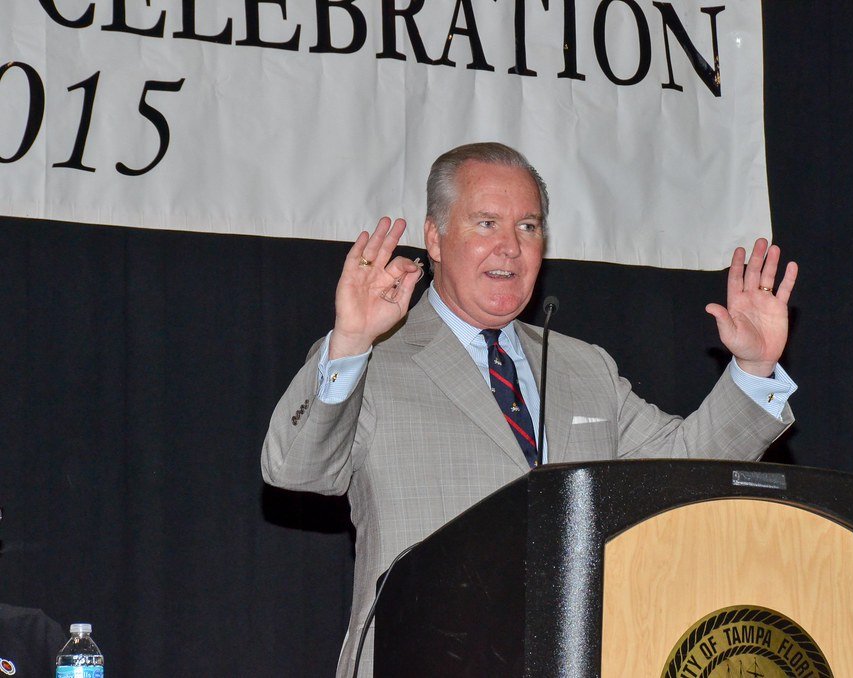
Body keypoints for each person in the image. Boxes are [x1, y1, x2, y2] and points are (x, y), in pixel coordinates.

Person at [261, 142, 799, 677]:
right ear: (435, 239)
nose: (510, 248)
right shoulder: (372, 357)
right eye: (486, 224)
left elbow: (683, 469)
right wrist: (351, 339)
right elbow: (297, 470)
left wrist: (752, 368)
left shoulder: (584, 367)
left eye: (528, 227)